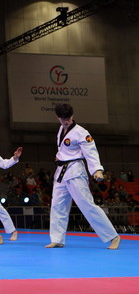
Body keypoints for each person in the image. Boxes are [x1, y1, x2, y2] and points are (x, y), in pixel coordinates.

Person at [46, 103, 120, 249]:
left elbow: (90, 151)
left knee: (87, 205)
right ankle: (57, 239)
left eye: (68, 118)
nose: (66, 121)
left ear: (72, 116)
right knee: (57, 206)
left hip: (75, 172)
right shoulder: (61, 129)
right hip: (61, 173)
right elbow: (63, 149)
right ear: (58, 118)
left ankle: (113, 236)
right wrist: (59, 156)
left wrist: (97, 170)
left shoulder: (81, 132)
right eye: (63, 119)